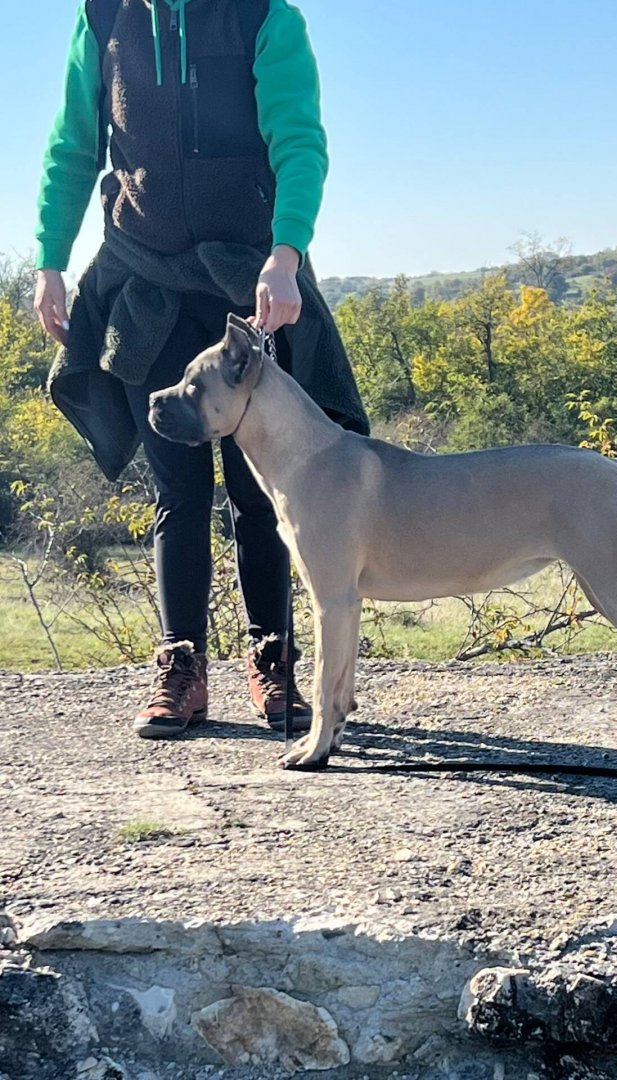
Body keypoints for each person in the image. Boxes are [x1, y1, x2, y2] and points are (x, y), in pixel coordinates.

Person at [33, 0, 369, 740]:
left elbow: (298, 142)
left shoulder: (264, 16)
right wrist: (52, 259)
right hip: (143, 288)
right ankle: (180, 666)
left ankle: (273, 658)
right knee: (177, 496)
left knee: (261, 496)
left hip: (246, 286)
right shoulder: (104, 18)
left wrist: (287, 256)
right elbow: (73, 145)